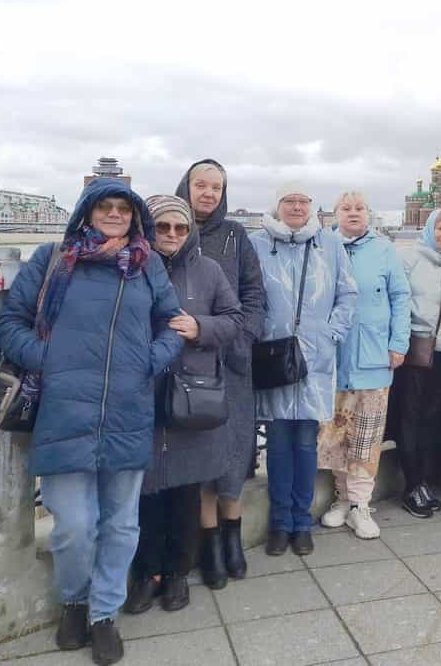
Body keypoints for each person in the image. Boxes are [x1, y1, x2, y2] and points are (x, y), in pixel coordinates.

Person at [0, 179, 182, 665]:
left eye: (124, 208)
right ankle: (74, 602)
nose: (115, 214)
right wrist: (49, 358)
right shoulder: (54, 259)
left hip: (128, 411)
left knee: (120, 524)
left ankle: (103, 614)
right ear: (86, 211)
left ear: (134, 215)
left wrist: (150, 359)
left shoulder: (147, 265)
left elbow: (173, 323)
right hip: (64, 410)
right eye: (106, 206)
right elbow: (10, 321)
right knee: (75, 526)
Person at [126, 196, 244, 615]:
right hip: (142, 393)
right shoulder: (132, 265)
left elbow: (234, 320)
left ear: (189, 230)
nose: (172, 235)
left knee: (185, 491)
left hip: (191, 394)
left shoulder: (208, 270)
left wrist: (200, 328)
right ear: (149, 229)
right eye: (163, 227)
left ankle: (177, 571)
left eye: (180, 227)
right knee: (145, 492)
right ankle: (148, 572)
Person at [250, 183, 357, 557]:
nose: (296, 206)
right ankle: (280, 522)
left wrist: (331, 334)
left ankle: (301, 519)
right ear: (277, 206)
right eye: (288, 201)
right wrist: (259, 332)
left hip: (315, 358)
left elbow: (347, 294)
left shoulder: (328, 244)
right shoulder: (258, 243)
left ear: (311, 207)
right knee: (278, 442)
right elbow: (248, 294)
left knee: (307, 441)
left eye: (302, 201)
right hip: (274, 356)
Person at [175, 160, 265, 587]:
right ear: (187, 187)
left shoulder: (235, 236)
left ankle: (233, 535)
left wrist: (242, 337)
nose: (208, 193)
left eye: (216, 187)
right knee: (199, 454)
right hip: (186, 366)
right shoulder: (169, 232)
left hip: (231, 363)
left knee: (233, 452)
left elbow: (254, 295)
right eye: (200, 185)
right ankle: (209, 542)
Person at [319, 191, 411, 540]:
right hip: (334, 359)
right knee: (336, 436)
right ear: (336, 213)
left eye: (359, 208)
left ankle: (361, 504)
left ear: (368, 214)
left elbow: (400, 297)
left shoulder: (384, 249)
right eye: (346, 208)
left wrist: (397, 343)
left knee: (367, 437)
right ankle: (342, 499)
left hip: (373, 358)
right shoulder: (324, 247)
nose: (353, 213)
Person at [390, 206, 441, 517]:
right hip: (414, 350)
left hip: (440, 351)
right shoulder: (409, 258)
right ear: (430, 229)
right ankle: (411, 484)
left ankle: (423, 482)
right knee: (410, 418)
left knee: (432, 418)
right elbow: (398, 301)